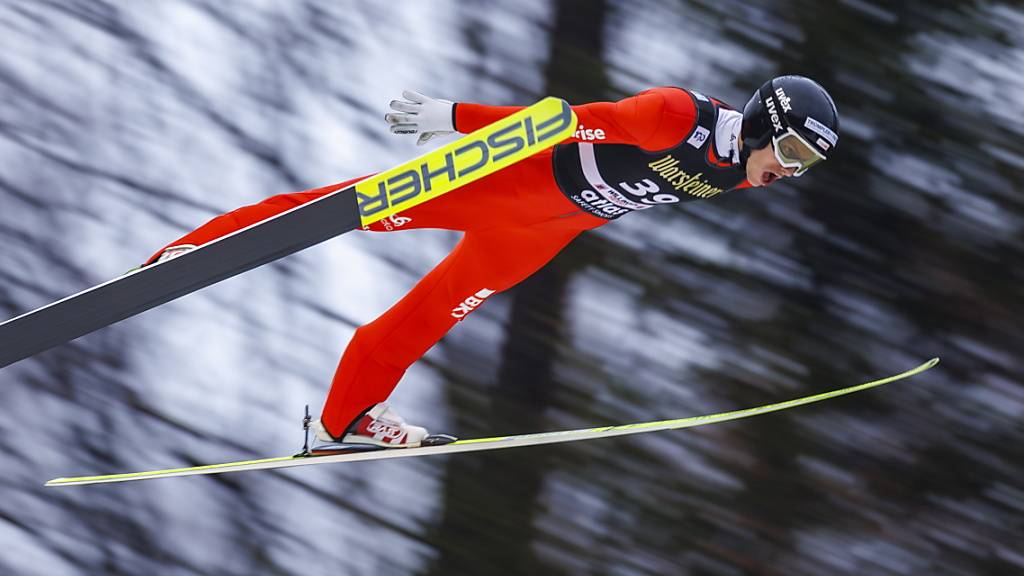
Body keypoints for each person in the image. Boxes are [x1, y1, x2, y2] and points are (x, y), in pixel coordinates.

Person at [144, 76, 840, 450]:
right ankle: (197, 248)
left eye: (806, 166)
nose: (791, 172)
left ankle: (344, 420)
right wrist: (454, 116)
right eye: (792, 154)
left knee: (430, 315)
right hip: (514, 185)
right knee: (341, 207)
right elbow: (558, 120)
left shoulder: (746, 172)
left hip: (546, 233)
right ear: (761, 125)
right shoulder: (671, 116)